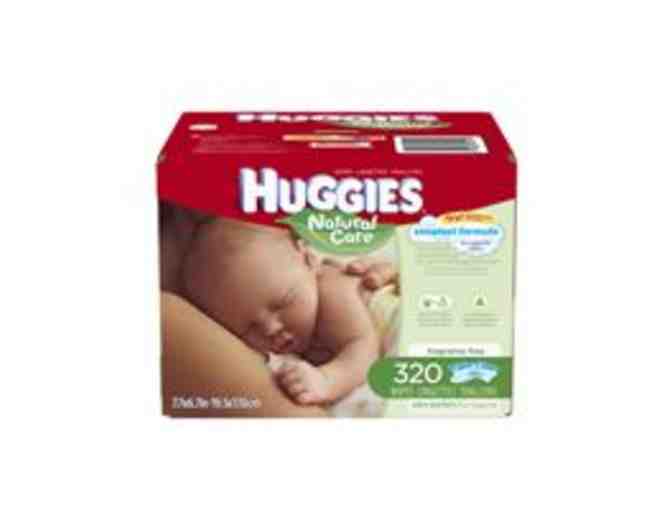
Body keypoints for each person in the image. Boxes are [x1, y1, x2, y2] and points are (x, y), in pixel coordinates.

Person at [160, 203, 398, 417]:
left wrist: (327, 381)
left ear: (309, 259)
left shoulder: (332, 290)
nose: (271, 328)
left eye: (283, 303)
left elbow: (363, 347)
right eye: (250, 327)